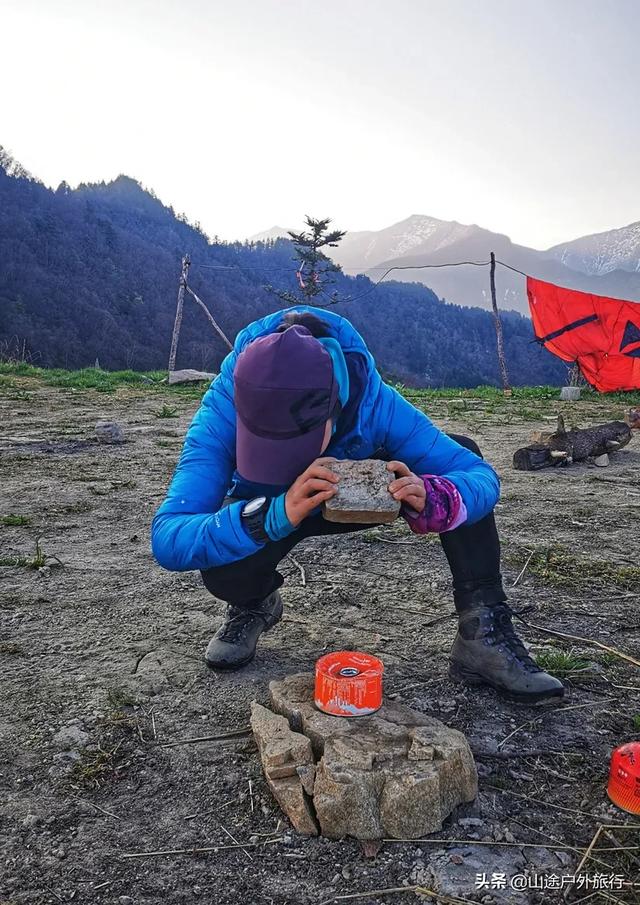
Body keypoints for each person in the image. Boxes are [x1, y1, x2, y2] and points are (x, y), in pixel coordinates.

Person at [151, 306, 564, 703]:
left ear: (335, 411)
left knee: (459, 450)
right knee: (223, 561)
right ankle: (253, 603)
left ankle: (482, 631)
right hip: (273, 510)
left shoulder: (373, 402)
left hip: (359, 498)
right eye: (265, 448)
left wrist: (437, 498)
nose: (286, 461)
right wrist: (271, 516)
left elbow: (479, 476)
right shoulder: (223, 405)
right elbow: (169, 536)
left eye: (295, 447)